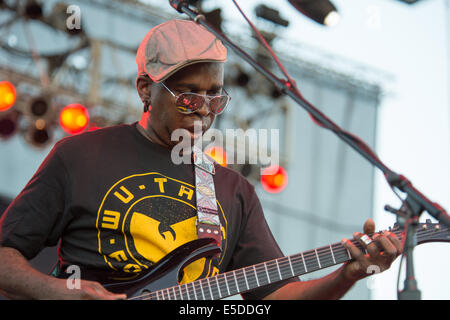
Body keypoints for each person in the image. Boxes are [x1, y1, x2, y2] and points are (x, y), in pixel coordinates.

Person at [0, 19, 401, 300]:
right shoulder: (80, 156)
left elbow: (279, 294)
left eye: (216, 97)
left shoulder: (231, 190)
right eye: (189, 96)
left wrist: (349, 273)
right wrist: (59, 293)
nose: (204, 111)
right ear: (146, 88)